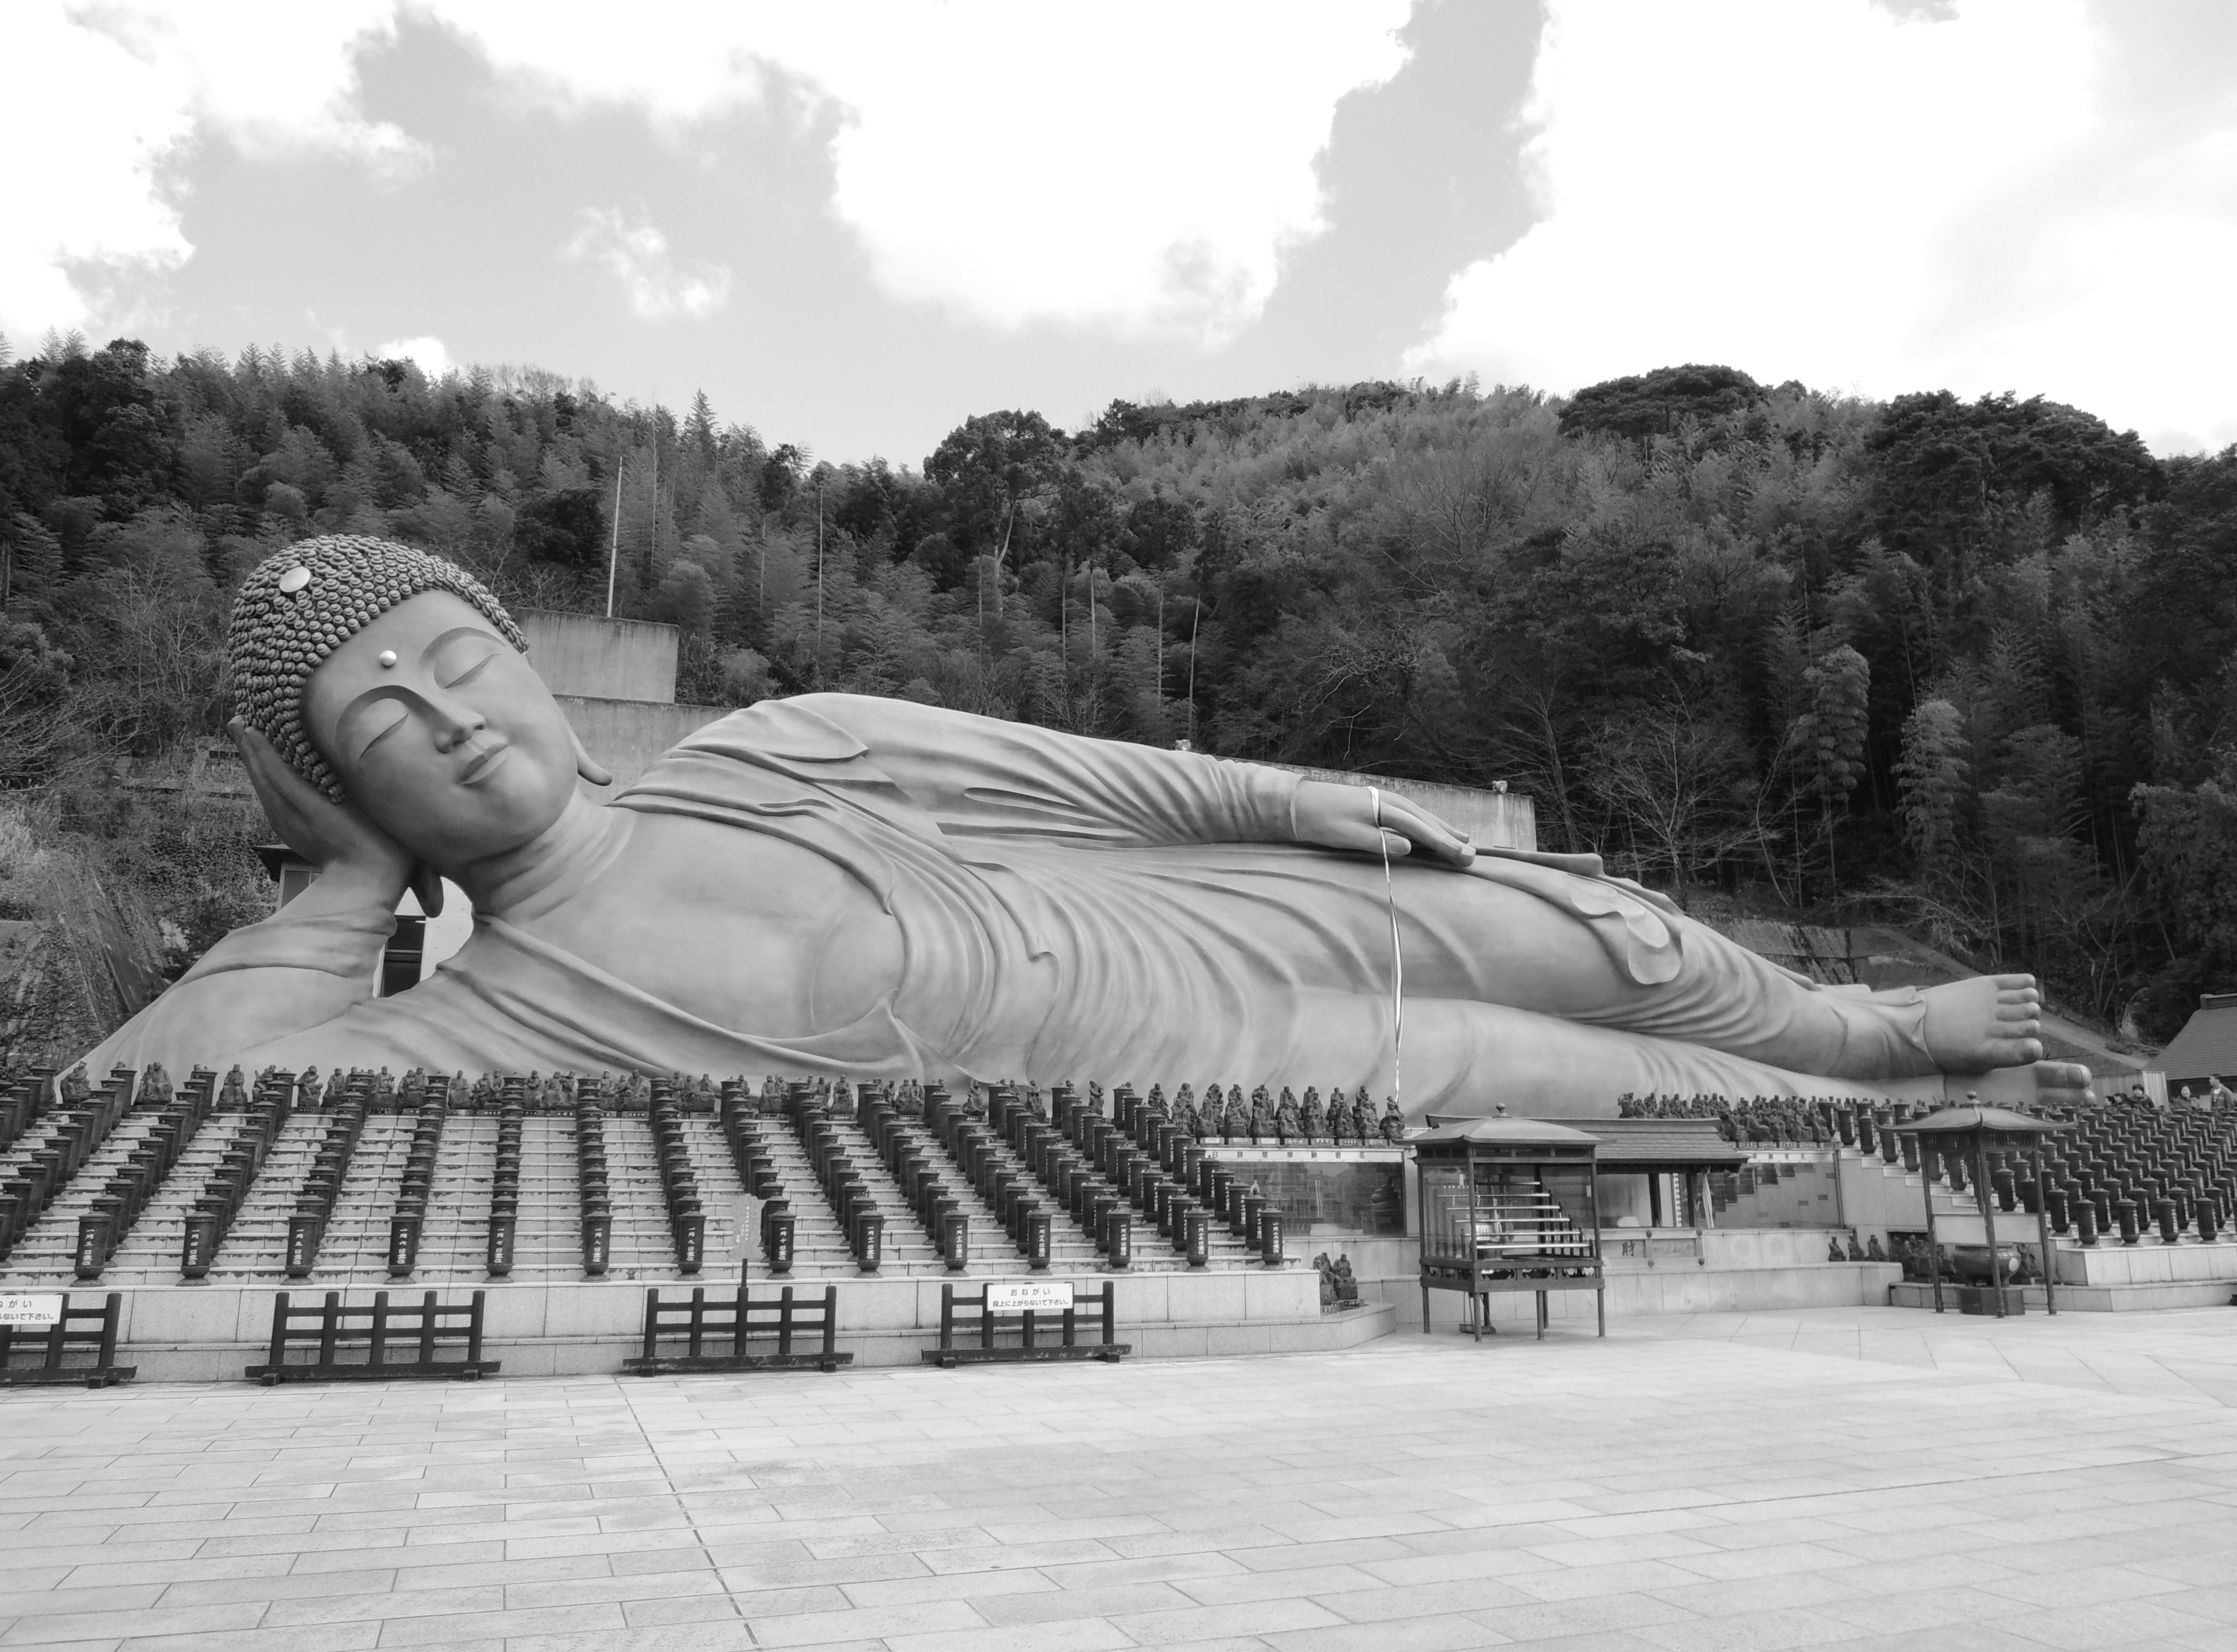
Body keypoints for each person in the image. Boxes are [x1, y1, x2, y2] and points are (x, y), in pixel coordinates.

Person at [76, 534, 2091, 1120]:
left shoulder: (778, 747)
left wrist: (1285, 796)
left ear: (524, 650)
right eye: (382, 731)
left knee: (1578, 930)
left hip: (1170, 915)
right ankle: (1899, 1108)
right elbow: (147, 1108)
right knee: (1574, 1084)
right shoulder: (488, 1017)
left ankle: (1883, 1028)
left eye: (455, 657)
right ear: (347, 786)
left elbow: (1064, 770)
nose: (455, 721)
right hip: (1181, 1073)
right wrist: (346, 884)